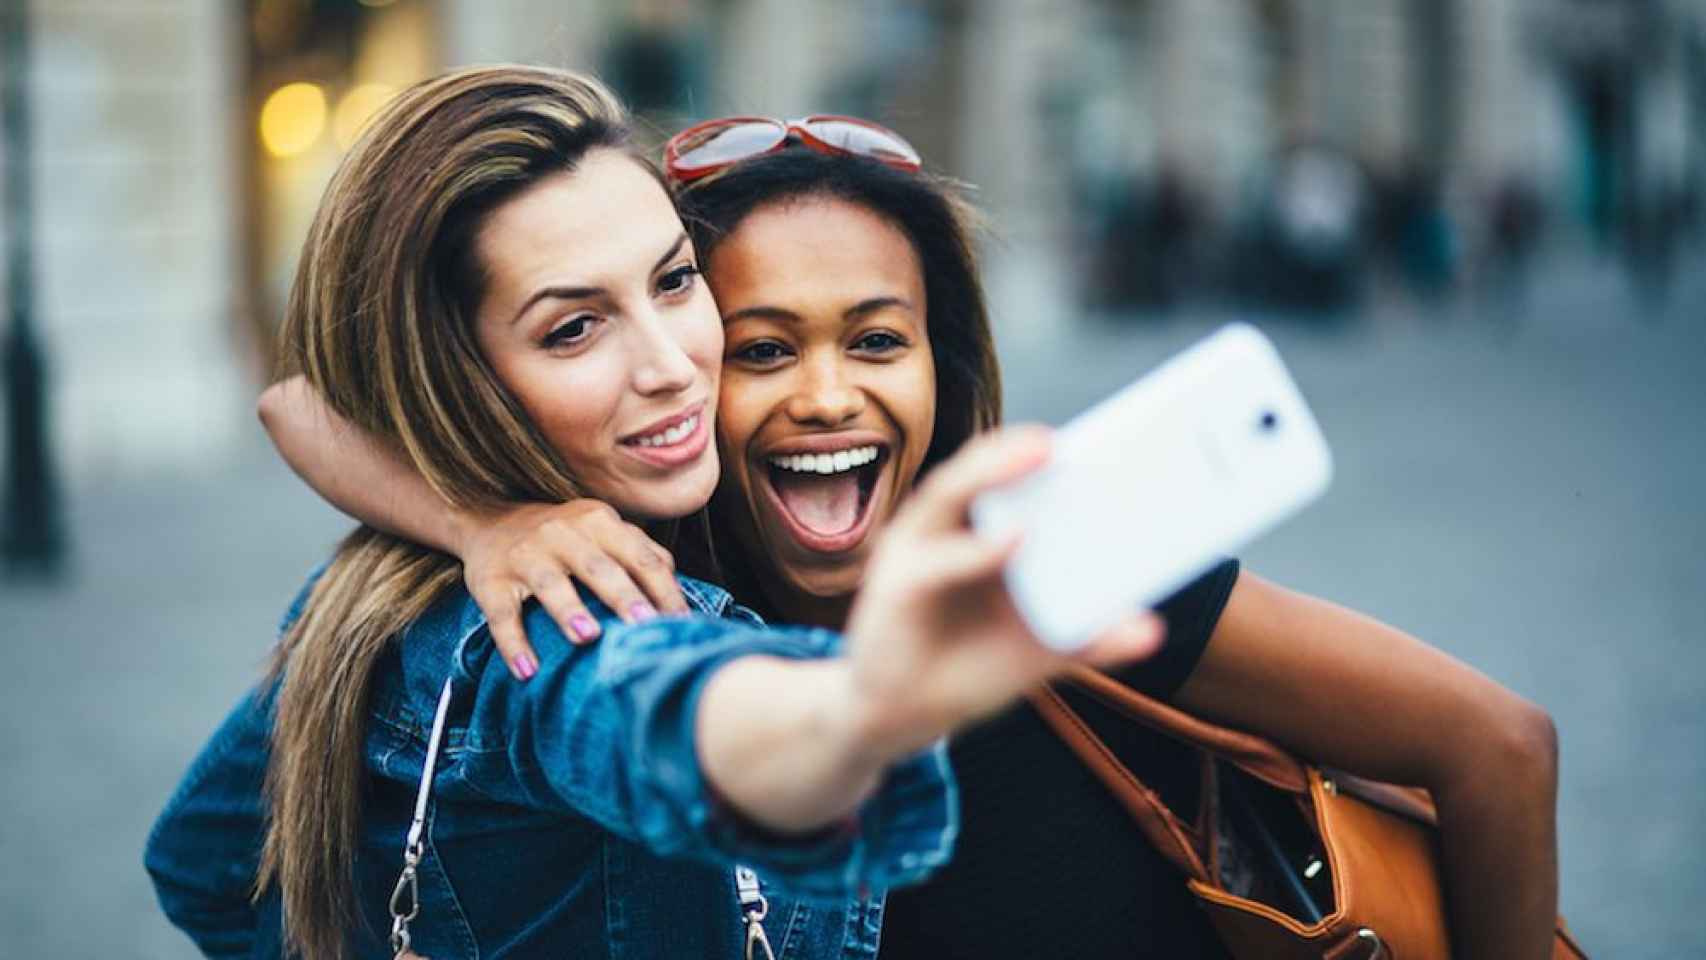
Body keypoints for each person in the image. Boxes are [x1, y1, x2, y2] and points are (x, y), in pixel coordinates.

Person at [254, 120, 1559, 956]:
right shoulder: (640, 584)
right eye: (763, 350)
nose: (827, 396)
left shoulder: (1052, 556)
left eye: (878, 340)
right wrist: (485, 521)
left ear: (948, 368)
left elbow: (1495, 744)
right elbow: (298, 400)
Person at [142, 67, 1165, 960]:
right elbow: (663, 716)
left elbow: (200, 859)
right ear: (455, 377)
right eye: (574, 328)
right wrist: (861, 711)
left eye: (674, 282)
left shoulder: (371, 589)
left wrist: (473, 522)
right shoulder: (552, 622)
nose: (672, 367)